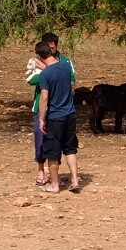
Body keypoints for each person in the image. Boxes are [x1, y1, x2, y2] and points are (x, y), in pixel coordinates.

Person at [27, 32, 77, 186]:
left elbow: (72, 81)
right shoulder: (36, 62)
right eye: (49, 43)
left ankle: (55, 180)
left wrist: (46, 70)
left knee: (56, 143)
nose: (52, 45)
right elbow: (30, 79)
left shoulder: (65, 61)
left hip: (55, 110)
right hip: (56, 109)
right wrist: (46, 71)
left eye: (54, 42)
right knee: (41, 141)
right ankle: (41, 171)